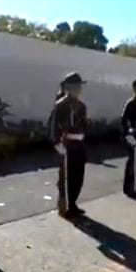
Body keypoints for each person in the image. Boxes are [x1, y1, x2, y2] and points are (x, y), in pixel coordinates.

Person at [50, 72, 88, 218]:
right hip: (67, 144)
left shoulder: (82, 106)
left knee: (78, 176)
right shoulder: (60, 105)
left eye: (79, 87)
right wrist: (57, 143)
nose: (79, 90)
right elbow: (54, 127)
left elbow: (84, 125)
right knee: (66, 176)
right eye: (76, 87)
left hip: (79, 144)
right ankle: (64, 205)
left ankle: (73, 203)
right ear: (68, 88)